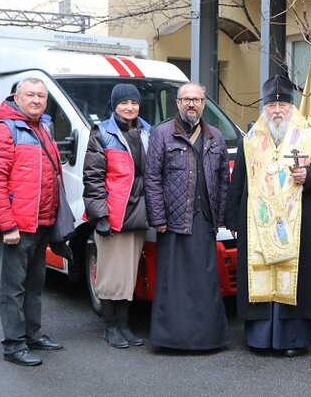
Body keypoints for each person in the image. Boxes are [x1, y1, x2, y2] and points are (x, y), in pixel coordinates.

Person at [224, 74, 311, 357]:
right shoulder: (250, 141)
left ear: (292, 106)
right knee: (261, 273)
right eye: (272, 105)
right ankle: (260, 339)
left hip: (298, 224)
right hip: (258, 223)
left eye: (283, 105)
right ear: (264, 107)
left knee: (293, 279)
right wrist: (232, 218)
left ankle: (293, 340)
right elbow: (239, 179)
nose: (277, 110)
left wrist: (308, 174)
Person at [0, 78, 64, 366]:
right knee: (12, 288)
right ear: (16, 97)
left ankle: (33, 335)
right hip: (18, 226)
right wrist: (7, 226)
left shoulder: (42, 128)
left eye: (41, 95)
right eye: (30, 94)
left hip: (41, 223)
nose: (36, 100)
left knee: (34, 285)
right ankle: (13, 346)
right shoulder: (4, 130)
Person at [144, 82, 230, 350]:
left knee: (205, 281)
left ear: (204, 104)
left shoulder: (215, 136)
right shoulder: (162, 134)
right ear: (177, 103)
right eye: (186, 99)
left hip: (204, 220)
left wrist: (220, 218)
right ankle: (171, 340)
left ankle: (208, 339)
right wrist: (157, 218)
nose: (192, 104)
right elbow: (152, 178)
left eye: (197, 99)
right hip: (173, 220)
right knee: (174, 283)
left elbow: (223, 181)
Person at [83, 84, 150, 349]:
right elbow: (93, 178)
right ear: (114, 105)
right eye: (124, 103)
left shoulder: (147, 132)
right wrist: (100, 215)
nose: (130, 107)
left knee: (128, 273)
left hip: (139, 213)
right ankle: (110, 327)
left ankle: (124, 325)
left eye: (134, 102)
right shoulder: (102, 134)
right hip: (114, 213)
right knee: (111, 275)